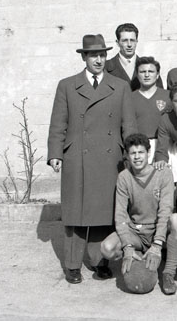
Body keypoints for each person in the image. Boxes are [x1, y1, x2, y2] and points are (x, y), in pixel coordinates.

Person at [47, 34, 137, 284]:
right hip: (77, 157)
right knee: (76, 213)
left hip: (110, 158)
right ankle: (73, 265)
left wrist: (132, 155)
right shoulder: (67, 85)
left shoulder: (120, 86)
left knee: (104, 211)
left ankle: (100, 262)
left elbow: (129, 124)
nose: (99, 60)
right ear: (84, 57)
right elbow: (58, 123)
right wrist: (55, 153)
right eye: (93, 55)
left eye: (102, 55)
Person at [99, 134, 177, 295]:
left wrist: (157, 244)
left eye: (141, 152)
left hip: (158, 231)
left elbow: (165, 210)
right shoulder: (124, 177)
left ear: (148, 153)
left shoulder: (163, 173)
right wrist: (127, 246)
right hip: (137, 232)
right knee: (107, 248)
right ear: (127, 156)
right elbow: (120, 215)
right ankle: (136, 254)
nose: (137, 157)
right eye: (133, 153)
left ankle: (168, 273)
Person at [131, 56, 171, 163]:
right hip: (139, 146)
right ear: (137, 74)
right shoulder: (129, 98)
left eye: (151, 71)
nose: (147, 75)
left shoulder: (168, 96)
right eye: (143, 71)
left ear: (157, 75)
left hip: (163, 145)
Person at [105, 23, 163, 91]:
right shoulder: (105, 68)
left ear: (136, 41)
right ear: (117, 42)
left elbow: (160, 94)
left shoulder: (150, 67)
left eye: (132, 40)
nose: (129, 45)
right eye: (125, 41)